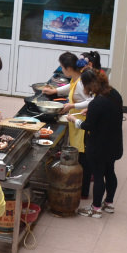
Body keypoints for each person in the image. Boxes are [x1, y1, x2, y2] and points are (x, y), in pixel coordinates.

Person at [44, 51, 97, 200]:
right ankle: (82, 187)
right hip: (76, 120)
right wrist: (55, 90)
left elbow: (91, 101)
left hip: (82, 122)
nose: (61, 70)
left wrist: (72, 105)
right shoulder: (76, 78)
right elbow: (69, 87)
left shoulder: (81, 82)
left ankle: (84, 191)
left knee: (83, 158)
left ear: (68, 68)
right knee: (80, 155)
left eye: (61, 67)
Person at [72, 68, 124, 217]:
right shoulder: (114, 94)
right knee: (110, 172)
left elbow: (88, 126)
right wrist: (91, 112)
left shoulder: (97, 103)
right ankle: (109, 203)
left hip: (99, 146)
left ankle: (95, 209)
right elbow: (110, 114)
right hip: (114, 143)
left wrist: (74, 120)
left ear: (89, 85)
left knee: (98, 175)